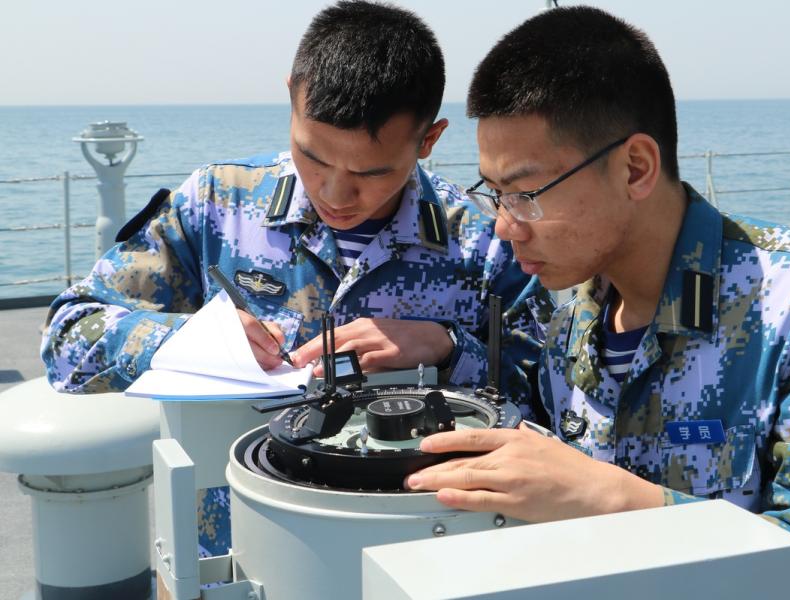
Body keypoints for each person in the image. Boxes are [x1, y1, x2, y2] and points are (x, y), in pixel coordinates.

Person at [406, 6, 790, 598]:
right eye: (496, 194)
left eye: (527, 195)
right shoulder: (573, 322)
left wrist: (615, 501)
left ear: (635, 167)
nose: (507, 227)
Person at [41, 0, 550, 557]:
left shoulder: (483, 239)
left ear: (428, 140)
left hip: (424, 546)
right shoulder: (217, 203)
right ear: (291, 96)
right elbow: (67, 337)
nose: (334, 194)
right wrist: (187, 340)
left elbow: (550, 401)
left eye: (368, 172)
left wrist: (451, 348)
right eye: (312, 156)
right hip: (240, 552)